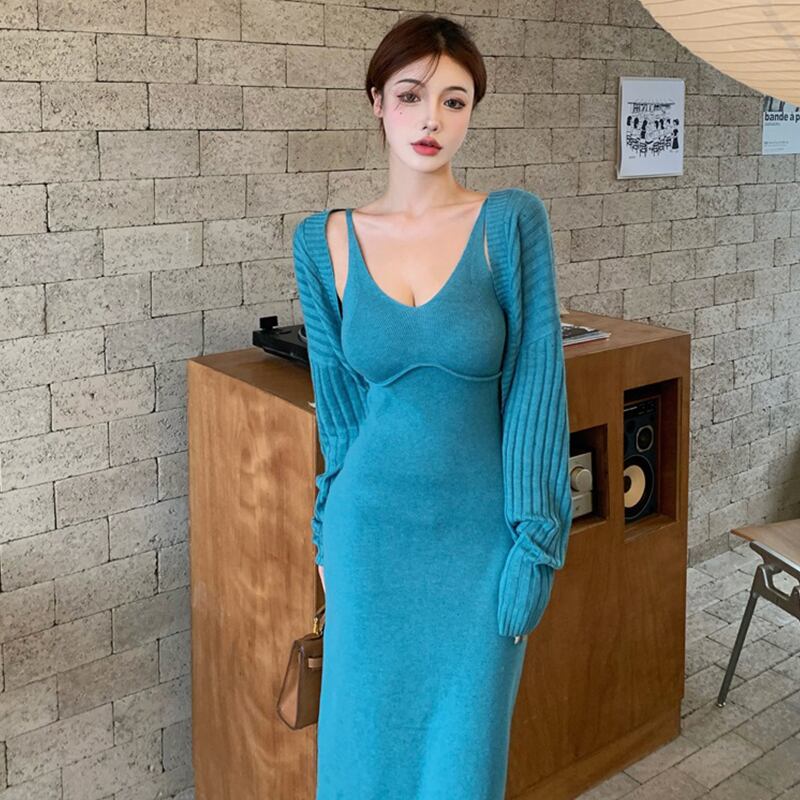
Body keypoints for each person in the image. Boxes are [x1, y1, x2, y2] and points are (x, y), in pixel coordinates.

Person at [292, 13, 573, 800]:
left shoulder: (509, 224)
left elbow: (537, 391)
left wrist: (537, 547)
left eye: (454, 101)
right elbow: (340, 412)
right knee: (360, 769)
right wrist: (326, 534)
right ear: (377, 101)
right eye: (411, 95)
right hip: (368, 544)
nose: (431, 120)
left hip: (479, 550)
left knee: (462, 772)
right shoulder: (323, 241)